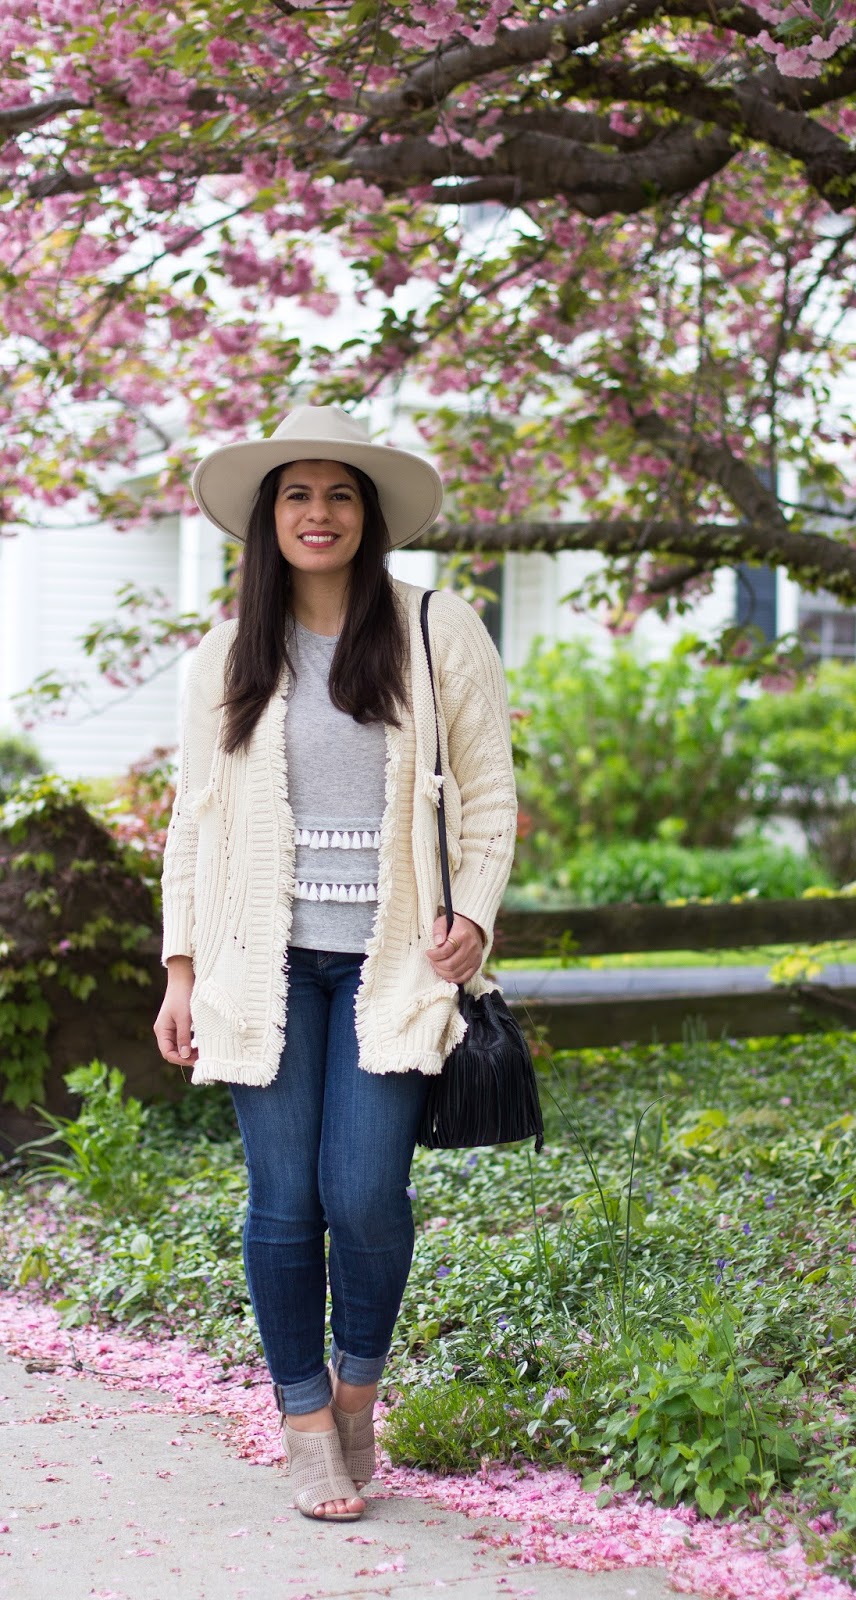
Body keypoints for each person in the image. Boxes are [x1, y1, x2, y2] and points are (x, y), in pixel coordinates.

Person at [153, 404, 517, 1522]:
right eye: (298, 494)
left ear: (369, 515)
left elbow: (490, 793)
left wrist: (479, 922)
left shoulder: (431, 627)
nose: (320, 513)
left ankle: (358, 1392)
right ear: (271, 517)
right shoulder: (228, 652)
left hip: (391, 962)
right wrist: (177, 968)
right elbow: (193, 820)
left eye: (341, 493)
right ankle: (305, 1426)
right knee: (281, 1203)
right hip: (258, 968)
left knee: (364, 1194)